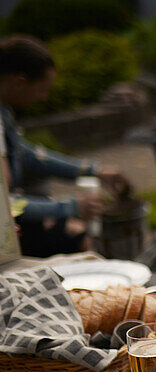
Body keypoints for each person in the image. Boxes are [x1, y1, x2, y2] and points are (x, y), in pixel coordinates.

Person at [0, 35, 131, 257]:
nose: (45, 97)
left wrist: (93, 171)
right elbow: (4, 204)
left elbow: (25, 154)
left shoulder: (4, 111)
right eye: (43, 89)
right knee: (76, 235)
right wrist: (69, 208)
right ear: (19, 82)